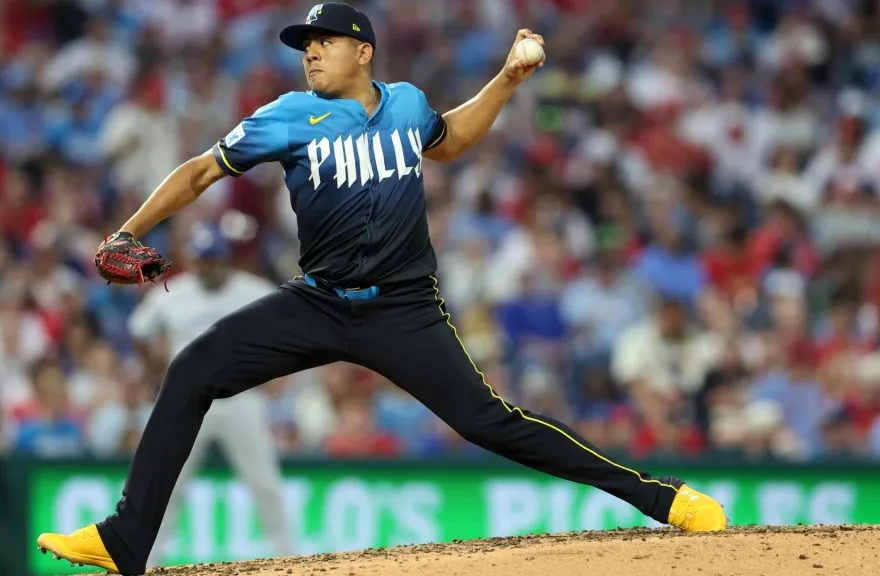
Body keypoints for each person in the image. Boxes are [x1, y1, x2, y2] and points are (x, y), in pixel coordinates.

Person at [38, 4, 727, 574]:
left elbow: (449, 139)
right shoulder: (285, 115)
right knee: (192, 370)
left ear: (363, 51)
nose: (310, 53)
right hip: (318, 301)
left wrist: (510, 78)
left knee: (490, 421)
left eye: (324, 41)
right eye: (304, 44)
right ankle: (126, 539)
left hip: (403, 307)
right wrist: (125, 230)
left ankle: (661, 500)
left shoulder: (406, 105)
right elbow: (199, 173)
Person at [127, 221, 296, 567]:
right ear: (193, 260)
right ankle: (145, 561)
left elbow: (286, 327)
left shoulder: (253, 290)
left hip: (240, 401)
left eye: (214, 259)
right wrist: (154, 372)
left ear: (226, 259)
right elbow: (139, 331)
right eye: (202, 260)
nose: (207, 266)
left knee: (264, 483)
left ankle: (289, 559)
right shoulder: (174, 292)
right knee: (167, 486)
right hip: (188, 403)